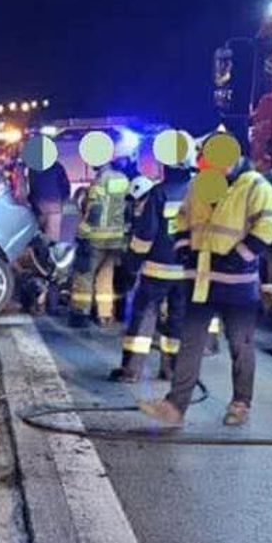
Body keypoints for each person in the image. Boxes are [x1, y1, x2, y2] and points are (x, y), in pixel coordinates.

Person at [140, 146, 272, 427]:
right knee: (190, 343)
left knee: (241, 345)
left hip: (237, 284)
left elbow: (268, 228)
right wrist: (182, 248)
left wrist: (239, 256)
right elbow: (182, 219)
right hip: (201, 280)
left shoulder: (256, 186)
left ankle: (240, 404)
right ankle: (175, 407)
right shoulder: (199, 186)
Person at [110, 164, 192, 382]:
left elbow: (146, 234)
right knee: (178, 319)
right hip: (187, 271)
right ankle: (172, 369)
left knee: (143, 317)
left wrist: (133, 261)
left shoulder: (159, 193)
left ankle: (131, 370)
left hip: (157, 269)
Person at [69, 158, 130, 326]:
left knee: (84, 275)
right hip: (116, 238)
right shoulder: (122, 179)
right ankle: (104, 315)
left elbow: (96, 210)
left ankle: (80, 314)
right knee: (106, 275)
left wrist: (83, 231)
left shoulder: (100, 181)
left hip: (97, 238)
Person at [27, 158, 71, 243]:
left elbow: (28, 191)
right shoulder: (57, 167)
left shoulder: (31, 169)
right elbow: (66, 189)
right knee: (53, 244)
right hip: (54, 210)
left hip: (40, 212)